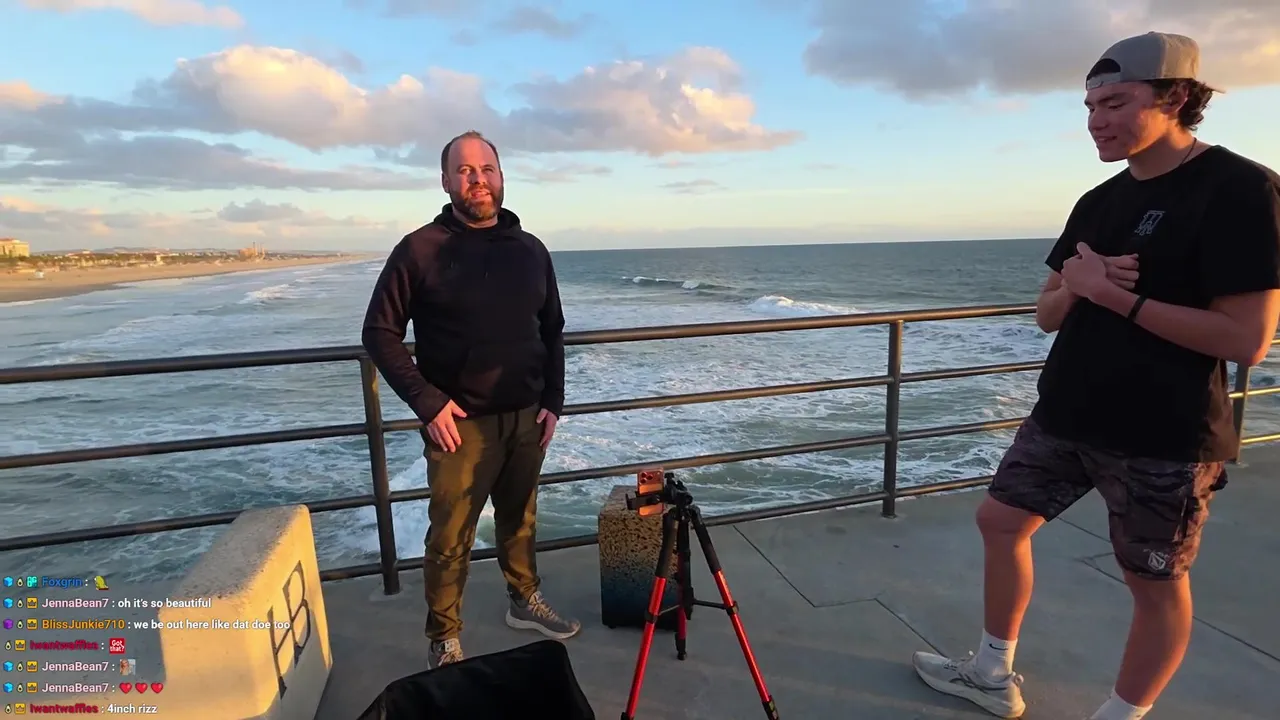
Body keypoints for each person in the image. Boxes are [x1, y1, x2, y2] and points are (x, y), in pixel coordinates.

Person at [911, 32, 1280, 720]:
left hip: (1164, 434)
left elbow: (1247, 340)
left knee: (1153, 583)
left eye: (1115, 103)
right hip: (1065, 413)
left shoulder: (1241, 189)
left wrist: (1112, 295)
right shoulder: (1098, 201)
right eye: (1089, 107)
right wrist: (1079, 287)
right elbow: (1047, 314)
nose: (1096, 122)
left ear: (1176, 97)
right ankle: (990, 672)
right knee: (1000, 521)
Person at [361, 129, 581, 669]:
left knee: (520, 520)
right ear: (445, 181)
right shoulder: (420, 249)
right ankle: (444, 637)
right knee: (450, 538)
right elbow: (379, 333)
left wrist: (553, 400)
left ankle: (523, 600)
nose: (477, 179)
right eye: (464, 170)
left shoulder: (531, 250)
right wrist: (427, 402)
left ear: (501, 177)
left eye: (486, 169)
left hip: (527, 417)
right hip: (460, 426)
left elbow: (552, 329)